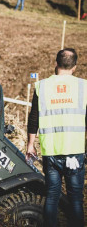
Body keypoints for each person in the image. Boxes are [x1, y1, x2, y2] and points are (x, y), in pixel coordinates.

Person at [26, 48, 87, 227]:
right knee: (76, 198)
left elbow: (33, 117)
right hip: (75, 152)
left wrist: (30, 144)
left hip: (51, 152)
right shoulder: (83, 86)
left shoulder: (43, 86)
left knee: (51, 196)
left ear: (56, 64)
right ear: (74, 67)